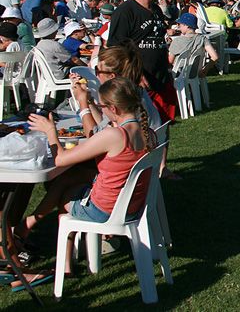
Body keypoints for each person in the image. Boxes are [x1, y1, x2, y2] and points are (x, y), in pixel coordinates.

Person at [26, 77, 156, 275]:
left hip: (106, 210)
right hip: (132, 207)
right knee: (70, 179)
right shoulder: (148, 133)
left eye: (102, 106)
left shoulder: (114, 136)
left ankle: (65, 264)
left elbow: (60, 160)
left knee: (66, 195)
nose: (101, 110)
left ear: (113, 109)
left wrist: (50, 131)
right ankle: (25, 227)